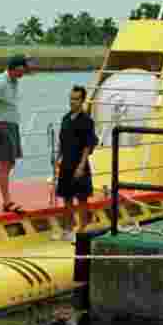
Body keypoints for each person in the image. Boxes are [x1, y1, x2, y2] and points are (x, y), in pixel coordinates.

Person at [0, 53, 34, 214]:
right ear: (13, 69)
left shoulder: (13, 80)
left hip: (11, 126)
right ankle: (7, 202)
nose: (23, 74)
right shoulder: (1, 83)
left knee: (9, 163)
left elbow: (24, 62)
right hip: (2, 127)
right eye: (21, 71)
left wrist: (26, 58)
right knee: (5, 164)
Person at [52, 85, 98, 241]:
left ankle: (82, 228)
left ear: (82, 100)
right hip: (66, 162)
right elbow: (62, 141)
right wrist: (57, 157)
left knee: (82, 198)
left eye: (76, 99)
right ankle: (68, 228)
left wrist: (81, 166)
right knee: (67, 197)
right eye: (71, 99)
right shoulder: (65, 118)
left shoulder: (87, 121)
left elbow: (88, 145)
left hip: (79, 164)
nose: (73, 102)